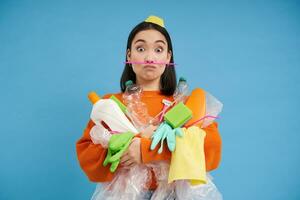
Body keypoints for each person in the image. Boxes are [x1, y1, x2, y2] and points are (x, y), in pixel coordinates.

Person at [76, 15, 222, 199]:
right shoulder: (110, 104)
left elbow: (210, 152)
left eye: (159, 49)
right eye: (141, 48)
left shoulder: (186, 104)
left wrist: (146, 150)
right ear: (129, 55)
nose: (150, 57)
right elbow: (88, 158)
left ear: (168, 57)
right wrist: (124, 151)